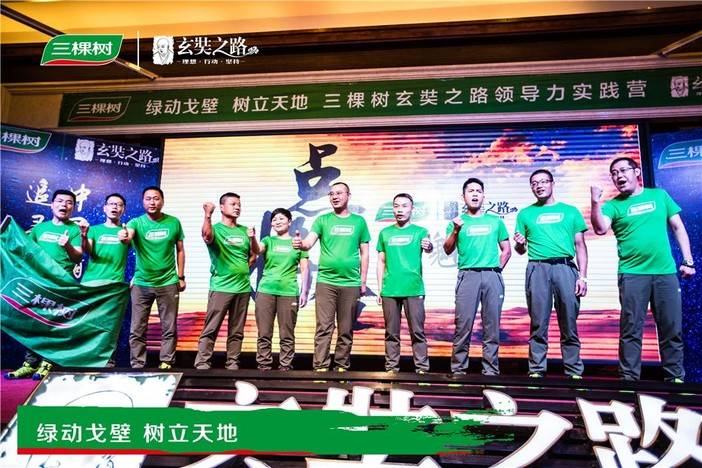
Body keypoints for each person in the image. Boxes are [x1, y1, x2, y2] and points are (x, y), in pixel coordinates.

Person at [591, 157, 695, 382]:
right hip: (632, 274)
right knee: (631, 330)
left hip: (665, 273)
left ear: (637, 172)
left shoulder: (659, 196)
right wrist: (595, 202)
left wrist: (688, 261)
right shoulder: (612, 205)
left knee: (671, 328)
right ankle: (629, 380)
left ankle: (675, 379)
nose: (619, 176)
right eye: (614, 173)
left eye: (623, 170)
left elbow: (678, 227)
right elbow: (600, 228)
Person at [514, 169, 588, 379]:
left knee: (569, 321)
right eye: (534, 183)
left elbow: (580, 245)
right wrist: (520, 244)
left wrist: (583, 277)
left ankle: (574, 370)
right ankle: (536, 369)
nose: (539, 186)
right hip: (537, 269)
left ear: (552, 183)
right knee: (538, 322)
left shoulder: (570, 211)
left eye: (543, 181)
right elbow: (520, 250)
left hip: (565, 268)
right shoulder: (525, 214)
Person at [293, 181, 370, 372]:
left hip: (350, 282)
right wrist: (300, 244)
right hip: (326, 282)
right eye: (331, 194)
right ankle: (320, 365)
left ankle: (342, 365)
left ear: (348, 196)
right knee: (324, 327)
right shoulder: (322, 220)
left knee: (346, 328)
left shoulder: (359, 222)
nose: (335, 196)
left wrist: (363, 281)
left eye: (339, 193)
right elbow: (309, 242)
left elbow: (365, 253)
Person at [5, 189, 82, 380]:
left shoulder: (74, 230)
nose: (64, 205)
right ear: (52, 204)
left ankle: (48, 362)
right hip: (38, 283)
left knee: (53, 324)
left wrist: (67, 245)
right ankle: (30, 364)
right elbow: (25, 251)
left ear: (73, 207)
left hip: (60, 285)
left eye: (69, 202)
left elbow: (78, 257)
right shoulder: (40, 228)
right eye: (60, 201)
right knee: (33, 323)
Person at [443, 178, 511, 376]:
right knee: (463, 326)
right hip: (468, 276)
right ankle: (458, 370)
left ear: (483, 196)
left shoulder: (495, 221)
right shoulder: (457, 223)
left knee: (492, 327)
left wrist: (495, 271)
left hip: (492, 276)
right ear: (463, 196)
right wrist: (456, 230)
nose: (474, 194)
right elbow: (447, 249)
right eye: (470, 191)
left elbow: (506, 250)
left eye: (478, 191)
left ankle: (490, 371)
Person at [194, 193, 259, 370]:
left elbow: (253, 255)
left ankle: (233, 362)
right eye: (233, 204)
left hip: (242, 288)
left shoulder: (244, 230)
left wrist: (241, 267)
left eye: (239, 204)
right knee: (211, 328)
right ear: (222, 207)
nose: (237, 207)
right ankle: (203, 362)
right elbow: (207, 236)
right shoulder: (215, 228)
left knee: (237, 331)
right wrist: (207, 215)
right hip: (221, 287)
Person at [124, 186, 185, 369]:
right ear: (143, 202)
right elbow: (128, 237)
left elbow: (180, 250)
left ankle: (166, 362)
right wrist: (125, 236)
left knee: (169, 327)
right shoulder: (136, 223)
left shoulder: (173, 222)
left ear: (162, 201)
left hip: (168, 282)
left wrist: (181, 276)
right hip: (142, 283)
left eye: (156, 198)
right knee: (137, 328)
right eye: (148, 199)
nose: (152, 202)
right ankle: (137, 364)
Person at [376, 193, 433, 374]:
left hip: (413, 288)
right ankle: (391, 369)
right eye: (396, 206)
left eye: (404, 206)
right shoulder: (385, 233)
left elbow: (428, 246)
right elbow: (381, 261)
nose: (400, 210)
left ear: (412, 209)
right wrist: (380, 289)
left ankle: (422, 369)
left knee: (417, 332)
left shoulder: (420, 231)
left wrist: (429, 246)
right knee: (391, 333)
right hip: (390, 289)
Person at [254, 208, 310, 371]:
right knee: (264, 333)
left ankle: (285, 366)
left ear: (289, 222)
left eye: (281, 218)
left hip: (289, 292)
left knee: (287, 334)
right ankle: (264, 365)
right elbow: (257, 250)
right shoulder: (268, 240)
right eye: (274, 219)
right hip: (266, 291)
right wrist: (251, 238)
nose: (277, 222)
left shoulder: (298, 242)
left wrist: (304, 291)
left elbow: (305, 269)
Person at [80, 193, 131, 367]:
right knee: (87, 323)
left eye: (119, 204)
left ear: (123, 209)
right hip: (91, 283)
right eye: (111, 204)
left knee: (110, 326)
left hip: (114, 285)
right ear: (105, 208)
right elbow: (88, 251)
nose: (115, 207)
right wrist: (84, 236)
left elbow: (142, 253)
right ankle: (84, 360)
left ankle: (107, 361)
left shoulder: (127, 232)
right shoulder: (94, 230)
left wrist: (135, 277)